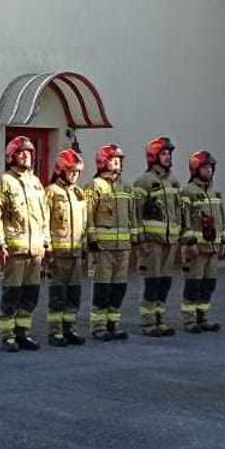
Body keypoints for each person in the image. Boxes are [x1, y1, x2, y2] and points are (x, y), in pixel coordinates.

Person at [0, 135, 50, 352]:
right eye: (21, 152)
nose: (26, 155)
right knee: (12, 294)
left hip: (35, 250)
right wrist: (0, 243)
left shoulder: (36, 183)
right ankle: (8, 335)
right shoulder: (5, 181)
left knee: (30, 295)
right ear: (11, 157)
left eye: (29, 152)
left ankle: (23, 333)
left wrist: (46, 243)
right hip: (15, 250)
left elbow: (43, 215)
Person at [131, 136, 184, 337]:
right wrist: (140, 241)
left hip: (170, 243)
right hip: (152, 243)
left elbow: (179, 211)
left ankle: (160, 319)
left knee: (164, 283)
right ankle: (148, 322)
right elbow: (135, 213)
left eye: (169, 153)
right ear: (153, 156)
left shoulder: (174, 181)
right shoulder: (143, 182)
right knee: (152, 282)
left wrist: (180, 237)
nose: (168, 156)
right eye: (163, 153)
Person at [85, 143, 136, 341]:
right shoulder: (95, 186)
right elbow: (88, 215)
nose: (118, 163)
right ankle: (98, 326)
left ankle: (113, 324)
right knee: (102, 288)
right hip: (103, 248)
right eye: (114, 159)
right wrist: (91, 240)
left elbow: (132, 215)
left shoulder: (126, 187)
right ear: (103, 162)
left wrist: (134, 239)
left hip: (123, 248)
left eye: (120, 160)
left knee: (119, 288)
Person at [43, 148, 91, 347]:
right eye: (71, 171)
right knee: (58, 293)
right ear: (61, 171)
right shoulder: (52, 192)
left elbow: (85, 222)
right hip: (59, 254)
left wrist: (86, 245)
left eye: (77, 172)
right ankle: (55, 332)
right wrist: (47, 248)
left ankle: (69, 328)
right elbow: (44, 221)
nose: (75, 175)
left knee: (74, 293)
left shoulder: (79, 193)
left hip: (76, 253)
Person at [178, 149, 225, 333]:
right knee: (193, 284)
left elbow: (222, 218)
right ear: (196, 169)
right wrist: (189, 243)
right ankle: (190, 321)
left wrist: (224, 240)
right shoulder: (187, 192)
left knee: (208, 285)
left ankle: (203, 318)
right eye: (205, 167)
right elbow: (184, 219)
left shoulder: (215, 193)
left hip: (213, 249)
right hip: (196, 250)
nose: (209, 171)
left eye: (211, 167)